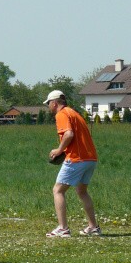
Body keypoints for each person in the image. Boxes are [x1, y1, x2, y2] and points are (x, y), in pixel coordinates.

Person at [44, 90, 101, 238]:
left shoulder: (61, 114)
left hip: (77, 158)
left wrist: (59, 150)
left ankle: (63, 228)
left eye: (48, 103)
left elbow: (69, 134)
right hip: (91, 158)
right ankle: (93, 227)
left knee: (58, 190)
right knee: (82, 191)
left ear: (55, 103)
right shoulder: (74, 113)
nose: (48, 106)